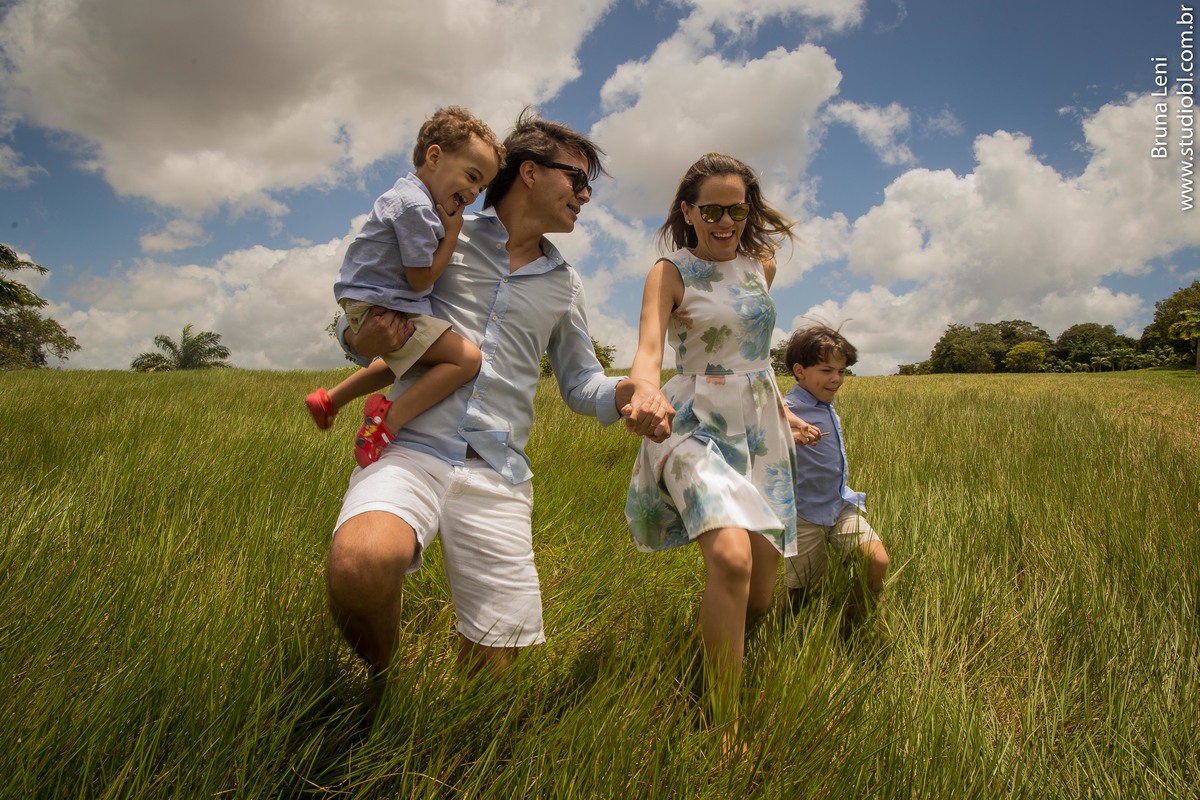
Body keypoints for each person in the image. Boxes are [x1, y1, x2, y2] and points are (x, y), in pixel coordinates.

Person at [325, 109, 674, 676]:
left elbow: (583, 385)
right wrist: (355, 335)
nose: (585, 196)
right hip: (411, 445)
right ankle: (381, 682)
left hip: (497, 471)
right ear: (530, 172)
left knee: (495, 671)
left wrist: (633, 391)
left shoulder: (565, 284)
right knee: (360, 568)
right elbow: (361, 302)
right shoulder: (442, 234)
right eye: (578, 180)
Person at [622, 153, 822, 726]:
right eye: (711, 209)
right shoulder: (670, 272)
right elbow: (649, 349)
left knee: (760, 595)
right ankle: (722, 720)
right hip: (689, 425)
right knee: (730, 560)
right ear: (689, 211)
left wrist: (785, 412)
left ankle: (716, 648)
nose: (725, 220)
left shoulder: (762, 267)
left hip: (759, 429)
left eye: (737, 208)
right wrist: (643, 391)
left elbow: (754, 360)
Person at [305, 105, 505, 468]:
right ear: (434, 157)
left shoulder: (408, 197)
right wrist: (452, 235)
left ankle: (330, 399)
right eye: (472, 176)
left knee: (401, 362)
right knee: (467, 359)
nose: (474, 192)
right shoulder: (417, 209)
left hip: (373, 300)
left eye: (482, 186)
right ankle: (388, 422)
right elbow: (420, 278)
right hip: (386, 303)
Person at [781, 324, 890, 631]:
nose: (836, 379)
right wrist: (791, 434)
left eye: (842, 372)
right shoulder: (787, 408)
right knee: (801, 592)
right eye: (827, 370)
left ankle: (852, 625)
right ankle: (785, 633)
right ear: (799, 371)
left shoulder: (826, 405)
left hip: (839, 503)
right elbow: (763, 434)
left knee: (877, 560)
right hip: (803, 514)